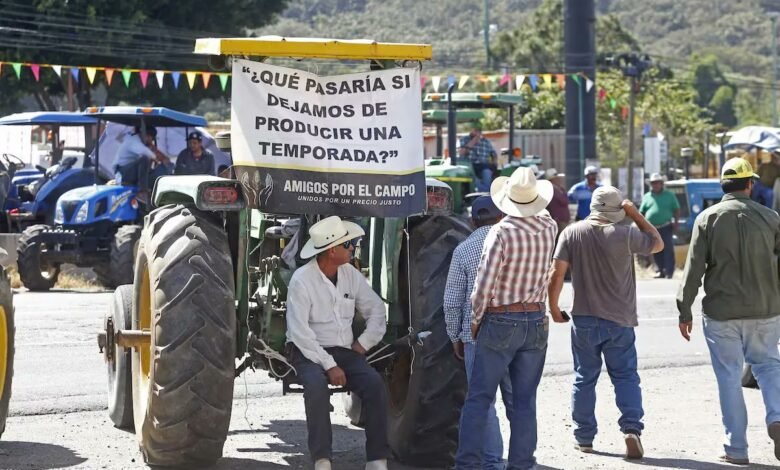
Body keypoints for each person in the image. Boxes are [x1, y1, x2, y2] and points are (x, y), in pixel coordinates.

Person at [677, 157, 780, 465]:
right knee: (769, 366)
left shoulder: (707, 219)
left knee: (729, 376)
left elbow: (693, 270)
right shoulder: (771, 218)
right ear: (750, 184)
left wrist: (685, 310)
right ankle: (777, 416)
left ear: (723, 186)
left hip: (721, 313)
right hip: (765, 309)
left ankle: (736, 449)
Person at [548, 186, 662, 460]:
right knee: (625, 376)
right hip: (619, 319)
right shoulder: (626, 234)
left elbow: (556, 273)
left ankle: (584, 437)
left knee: (584, 378)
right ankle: (631, 429)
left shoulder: (572, 233)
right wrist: (635, 213)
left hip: (584, 319)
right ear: (617, 211)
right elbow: (657, 242)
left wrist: (552, 307)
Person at [455, 167, 557, 470]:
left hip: (500, 321)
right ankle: (522, 465)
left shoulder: (500, 232)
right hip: (536, 319)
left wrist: (474, 322)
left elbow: (483, 286)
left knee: (479, 400)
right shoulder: (550, 227)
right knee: (524, 402)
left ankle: (468, 465)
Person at [285, 216, 389, 470]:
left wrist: (363, 344)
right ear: (332, 250)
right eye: (348, 244)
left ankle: (377, 459)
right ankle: (322, 459)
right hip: (307, 352)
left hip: (344, 351)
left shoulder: (350, 274)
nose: (353, 248)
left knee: (375, 385)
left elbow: (376, 310)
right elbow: (300, 334)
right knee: (316, 387)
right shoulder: (301, 280)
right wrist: (330, 365)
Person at [444, 196, 512, 470]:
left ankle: (493, 462)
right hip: (517, 330)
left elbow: (452, 301)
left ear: (472, 222)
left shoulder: (463, 249)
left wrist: (455, 336)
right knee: (518, 402)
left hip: (478, 334)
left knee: (484, 403)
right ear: (501, 218)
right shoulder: (517, 245)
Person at [639, 173, 680, 279]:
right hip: (652, 227)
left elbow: (676, 209)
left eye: (657, 183)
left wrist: (676, 223)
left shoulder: (669, 195)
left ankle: (669, 272)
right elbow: (641, 212)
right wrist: (642, 226)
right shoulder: (647, 196)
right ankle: (660, 270)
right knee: (656, 249)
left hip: (666, 226)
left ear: (661, 184)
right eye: (653, 183)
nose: (655, 185)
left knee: (668, 249)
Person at [113, 126, 170, 193]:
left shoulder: (139, 142)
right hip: (122, 173)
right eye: (151, 139)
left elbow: (151, 153)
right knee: (144, 159)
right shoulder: (133, 140)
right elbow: (147, 153)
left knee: (151, 166)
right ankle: (143, 190)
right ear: (147, 136)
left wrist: (163, 161)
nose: (151, 141)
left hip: (130, 171)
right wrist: (157, 160)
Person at [459, 125, 497, 192]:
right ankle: (479, 193)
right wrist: (474, 140)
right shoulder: (464, 139)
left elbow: (494, 154)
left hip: (483, 165)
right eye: (475, 130)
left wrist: (494, 163)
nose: (477, 132)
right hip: (469, 166)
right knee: (474, 180)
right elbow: (461, 153)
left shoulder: (486, 141)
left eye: (478, 130)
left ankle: (485, 194)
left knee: (487, 173)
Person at [543, 168, 571, 235]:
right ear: (552, 180)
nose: (559, 179)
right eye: (556, 178)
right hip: (557, 221)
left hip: (564, 220)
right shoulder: (549, 190)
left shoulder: (560, 188)